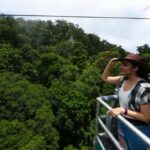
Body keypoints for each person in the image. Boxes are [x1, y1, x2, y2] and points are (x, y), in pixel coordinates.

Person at [102, 53, 150, 150]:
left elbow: (146, 117)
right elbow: (105, 78)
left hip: (137, 129)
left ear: (135, 68)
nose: (121, 67)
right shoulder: (122, 80)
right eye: (121, 64)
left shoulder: (144, 88)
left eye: (125, 65)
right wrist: (109, 65)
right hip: (123, 122)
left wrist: (123, 110)